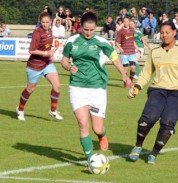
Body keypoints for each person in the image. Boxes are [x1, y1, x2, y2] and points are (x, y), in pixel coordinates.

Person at [60, 12, 131, 171]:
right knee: (82, 123)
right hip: (77, 87)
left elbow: (115, 58)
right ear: (81, 27)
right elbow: (63, 61)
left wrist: (124, 76)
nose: (88, 33)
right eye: (86, 29)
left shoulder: (101, 42)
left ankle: (101, 135)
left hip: (97, 88)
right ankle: (90, 160)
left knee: (97, 128)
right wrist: (69, 67)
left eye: (92, 30)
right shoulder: (72, 42)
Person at [127, 20, 178, 165]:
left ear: (175, 32)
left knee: (167, 123)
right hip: (158, 89)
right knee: (146, 119)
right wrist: (136, 87)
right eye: (161, 33)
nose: (164, 35)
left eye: (167, 32)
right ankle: (138, 146)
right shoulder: (155, 51)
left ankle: (154, 153)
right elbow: (146, 73)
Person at [16, 12, 63, 121]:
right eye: (43, 22)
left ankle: (53, 111)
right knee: (30, 90)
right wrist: (47, 53)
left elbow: (46, 46)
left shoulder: (50, 31)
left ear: (51, 22)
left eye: (47, 22)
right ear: (40, 22)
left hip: (47, 63)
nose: (45, 24)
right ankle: (20, 109)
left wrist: (49, 53)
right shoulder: (37, 33)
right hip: (34, 66)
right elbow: (31, 50)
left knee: (57, 86)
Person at [116, 17, 138, 85]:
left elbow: (132, 40)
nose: (126, 23)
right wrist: (120, 48)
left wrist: (137, 48)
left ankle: (130, 81)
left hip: (132, 52)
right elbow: (117, 42)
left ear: (129, 22)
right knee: (125, 70)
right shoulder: (120, 31)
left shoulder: (132, 30)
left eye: (127, 21)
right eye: (124, 21)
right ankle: (125, 83)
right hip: (124, 53)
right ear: (123, 22)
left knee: (133, 68)